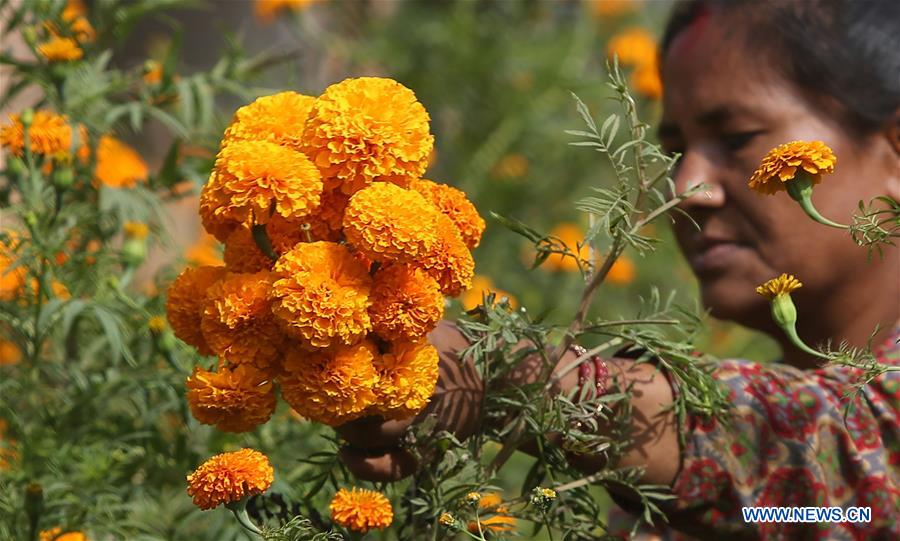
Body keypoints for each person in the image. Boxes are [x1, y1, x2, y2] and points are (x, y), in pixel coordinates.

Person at [338, 1, 900, 539]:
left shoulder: (826, 456)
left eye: (737, 138)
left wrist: (501, 376)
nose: (685, 189)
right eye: (675, 151)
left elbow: (836, 468)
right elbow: (805, 511)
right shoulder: (698, 502)